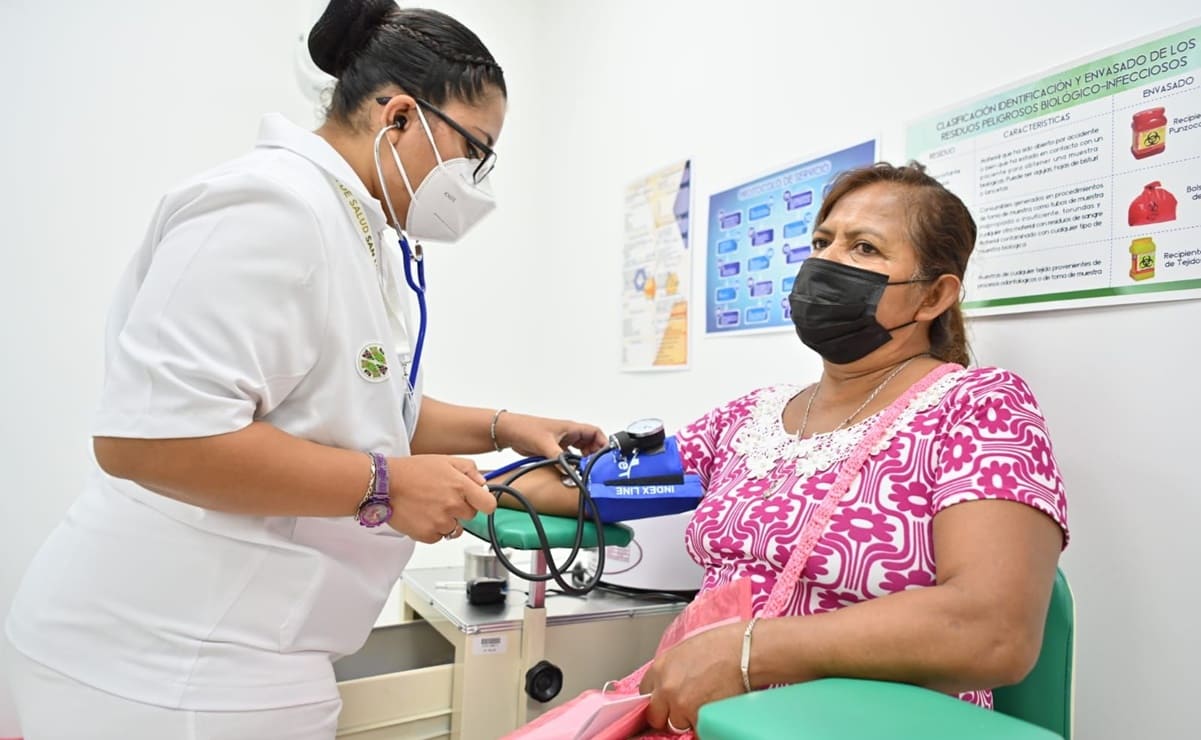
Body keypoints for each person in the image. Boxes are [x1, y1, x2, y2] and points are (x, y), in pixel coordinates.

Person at [4, 1, 604, 738]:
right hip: (161, 662)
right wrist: (386, 486)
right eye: (472, 150)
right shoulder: (270, 208)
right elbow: (147, 439)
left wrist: (503, 426)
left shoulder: (355, 226)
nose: (473, 182)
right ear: (400, 117)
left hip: (242, 644)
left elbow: (361, 404)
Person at [518, 162, 1069, 736]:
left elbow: (993, 630)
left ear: (933, 295)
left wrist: (748, 651)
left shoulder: (978, 406)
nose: (827, 262)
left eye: (864, 248)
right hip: (708, 717)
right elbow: (598, 487)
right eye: (822, 242)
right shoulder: (751, 416)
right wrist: (489, 470)